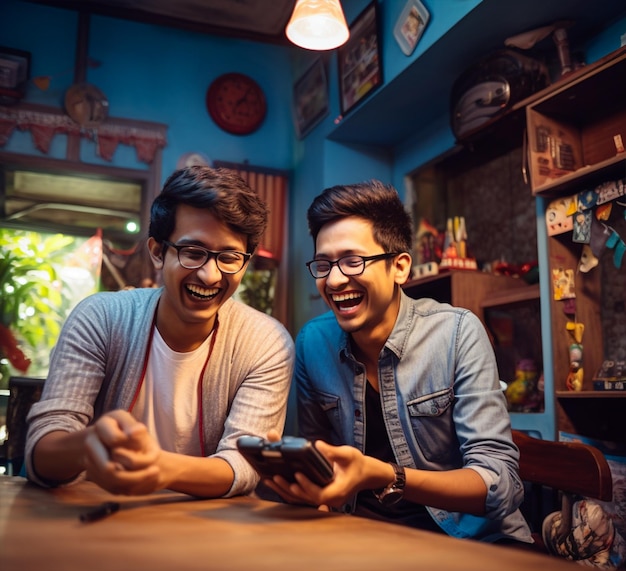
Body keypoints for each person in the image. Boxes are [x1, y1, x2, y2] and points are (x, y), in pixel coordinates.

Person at [267, 180, 532, 544]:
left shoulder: (457, 333)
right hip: (360, 535)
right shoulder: (313, 342)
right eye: (324, 264)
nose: (334, 279)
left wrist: (387, 476)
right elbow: (319, 455)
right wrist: (305, 487)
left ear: (400, 267)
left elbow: (501, 483)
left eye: (352, 261)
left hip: (470, 540)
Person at [25, 165, 295, 498]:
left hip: (208, 528)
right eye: (193, 253)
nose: (210, 276)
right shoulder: (102, 318)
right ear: (157, 252)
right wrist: (85, 445)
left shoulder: (265, 342)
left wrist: (161, 469)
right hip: (93, 514)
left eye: (228, 257)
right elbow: (42, 448)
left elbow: (244, 463)